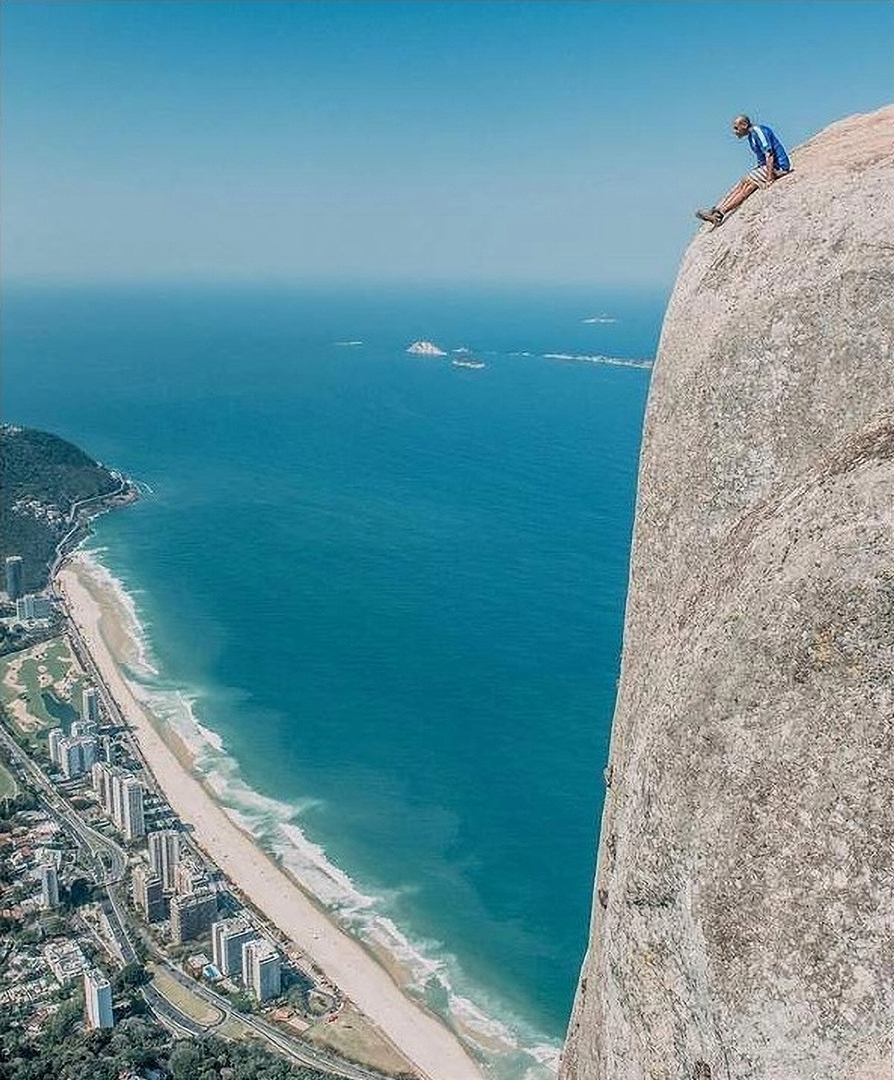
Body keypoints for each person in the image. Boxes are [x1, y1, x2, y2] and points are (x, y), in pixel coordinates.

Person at [696, 115, 791, 227]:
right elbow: (761, 157)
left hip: (778, 166)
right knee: (743, 181)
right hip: (768, 166)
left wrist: (769, 178)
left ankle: (720, 214)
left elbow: (769, 154)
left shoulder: (759, 132)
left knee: (750, 184)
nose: (735, 132)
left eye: (736, 128)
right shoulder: (751, 136)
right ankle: (716, 210)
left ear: (745, 125)